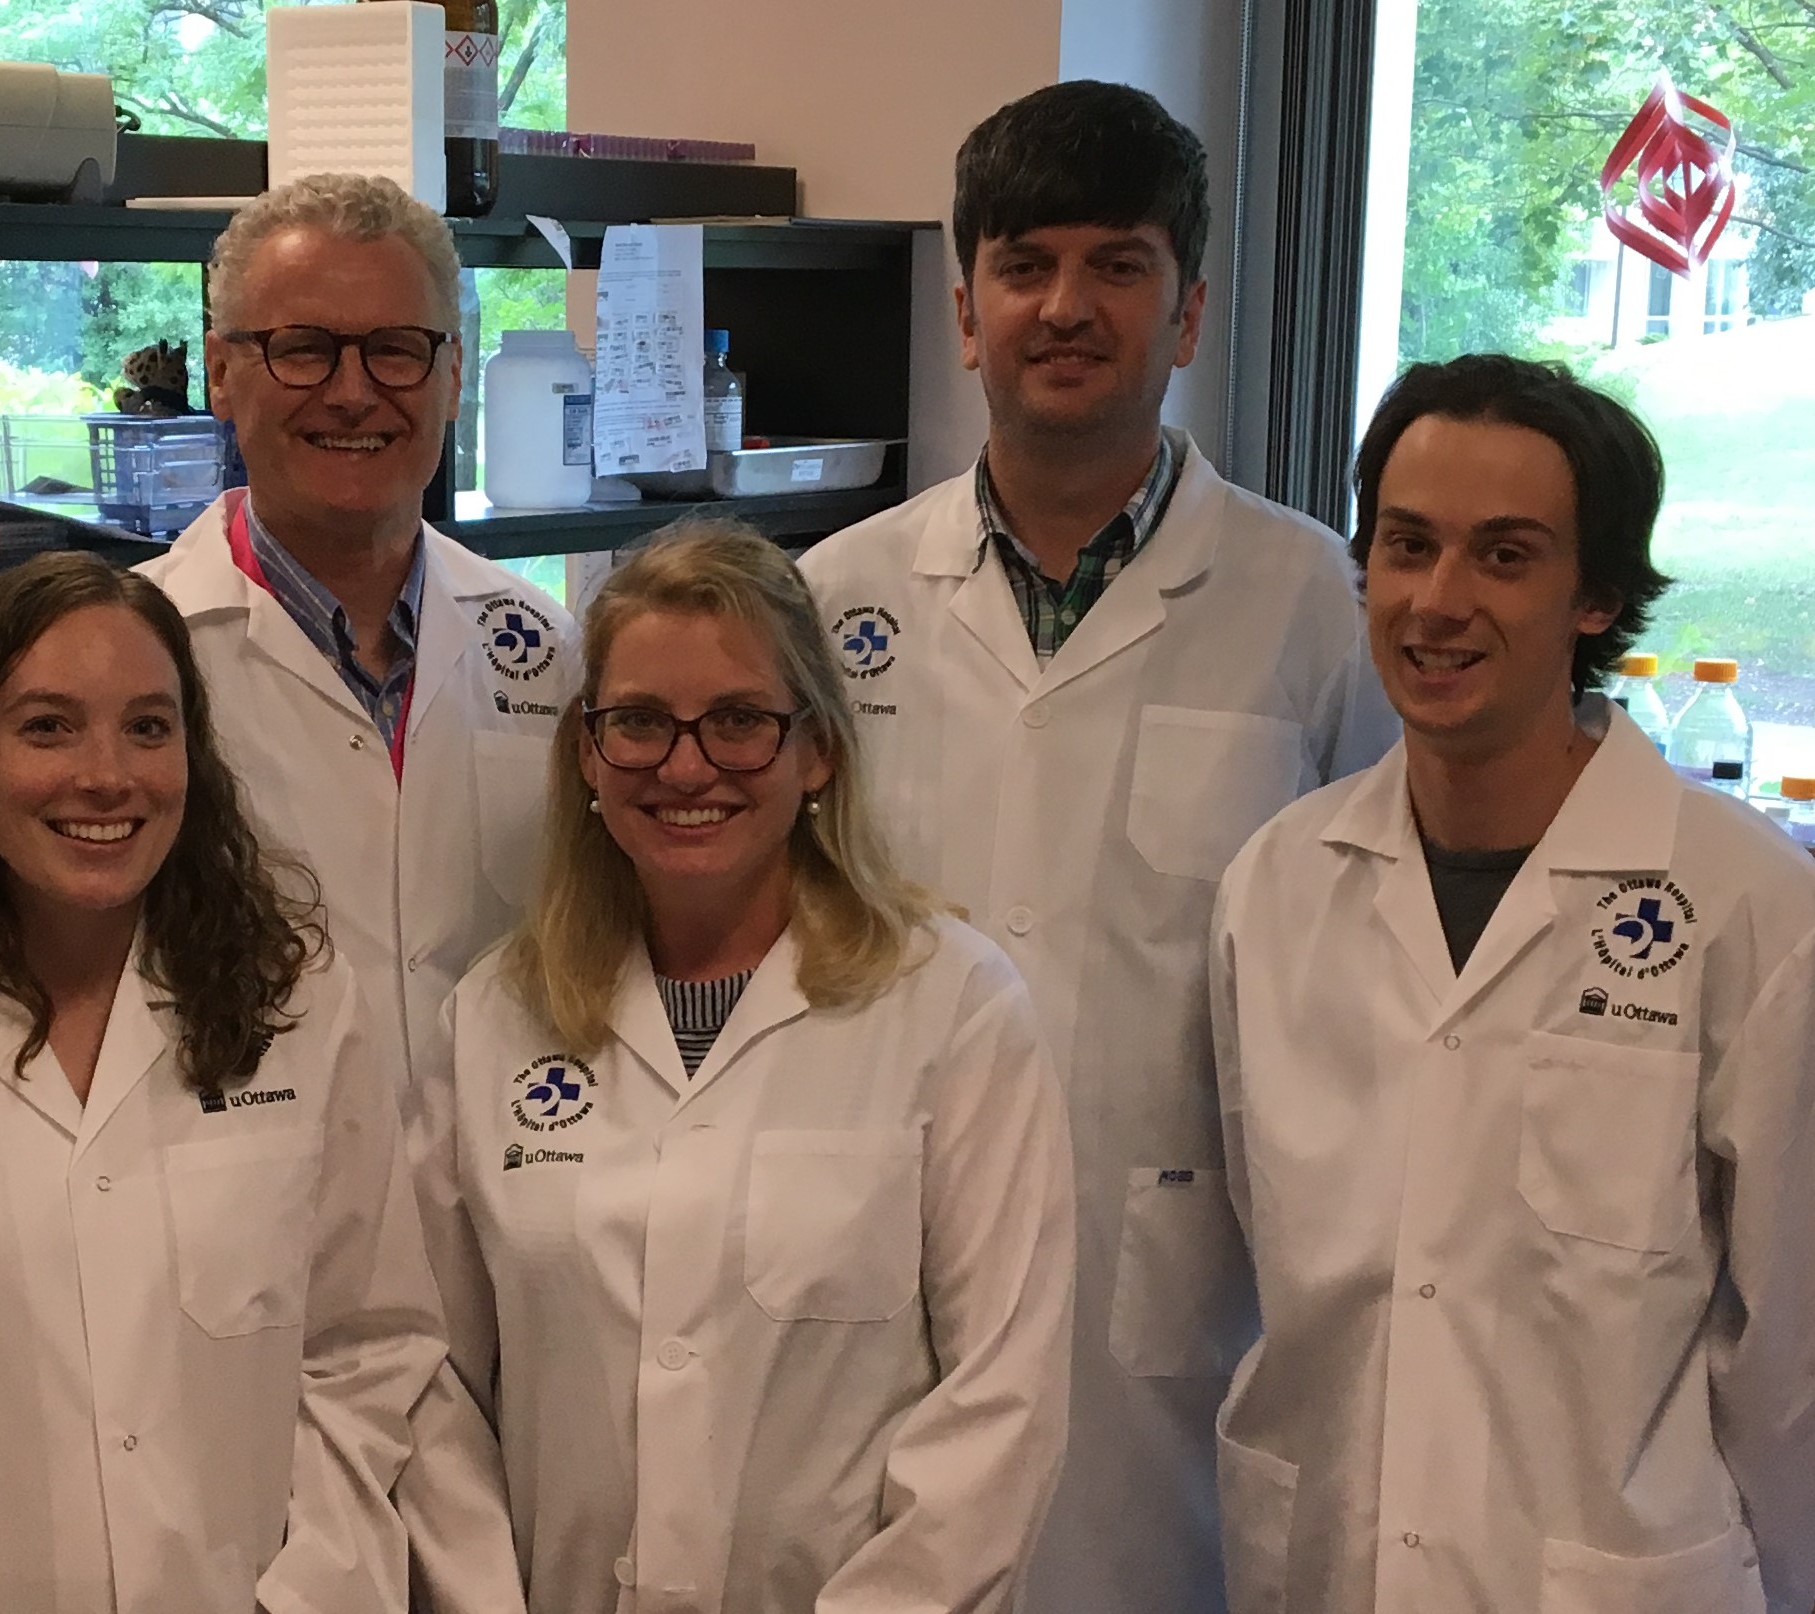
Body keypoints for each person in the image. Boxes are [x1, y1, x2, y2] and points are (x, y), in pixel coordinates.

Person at [797, 79, 1398, 1612]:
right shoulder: (827, 596)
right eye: (1026, 264)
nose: (1067, 306)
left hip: (1181, 1278)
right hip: (868, 1243)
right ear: (965, 308)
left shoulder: (1313, 601)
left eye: (1119, 265)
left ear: (1187, 313)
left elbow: (1386, 958)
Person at [0, 553, 509, 1614]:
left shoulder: (289, 1007)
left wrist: (306, 1591)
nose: (106, 775)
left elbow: (365, 1346)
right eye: (47, 726)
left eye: (148, 727)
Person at [1211, 354, 1815, 1612]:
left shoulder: (1745, 905)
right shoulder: (1273, 888)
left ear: (1593, 595)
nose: (1436, 601)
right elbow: (1268, 1251)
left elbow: (1791, 1363)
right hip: (1328, 1564)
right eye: (1406, 544)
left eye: (1503, 555)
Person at [410, 520, 1077, 1614]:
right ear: (584, 751)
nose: (686, 766)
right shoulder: (493, 1017)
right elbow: (433, 1379)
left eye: (738, 722)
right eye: (636, 723)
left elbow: (1000, 1405)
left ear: (817, 748)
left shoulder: (951, 1007)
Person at [140, 171, 576, 1121]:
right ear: (219, 372)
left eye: (395, 350)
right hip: (238, 1213)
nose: (351, 393)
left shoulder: (546, 649)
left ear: (453, 375)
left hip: (509, 1201)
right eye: (301, 350)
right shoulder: (132, 655)